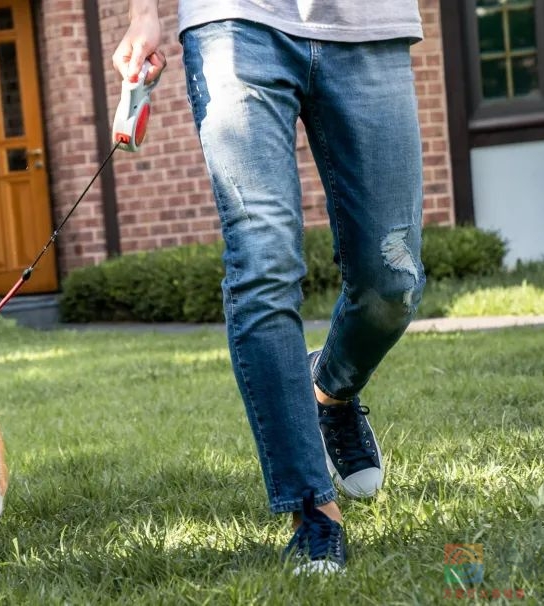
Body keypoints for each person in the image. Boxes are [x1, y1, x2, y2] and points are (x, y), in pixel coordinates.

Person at [113, 1, 426, 574]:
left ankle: (328, 390)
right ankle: (312, 511)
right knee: (262, 264)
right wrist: (143, 13)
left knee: (393, 280)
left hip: (366, 25)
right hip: (233, 22)